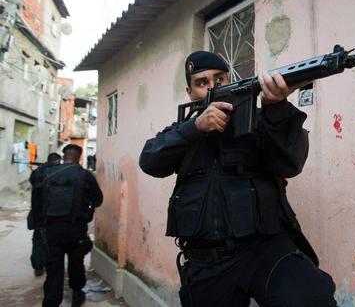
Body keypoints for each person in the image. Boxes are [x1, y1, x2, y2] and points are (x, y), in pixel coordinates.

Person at [139, 51, 337, 306]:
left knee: (311, 298)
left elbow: (290, 164)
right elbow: (149, 161)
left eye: (219, 79)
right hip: (207, 260)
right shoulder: (183, 132)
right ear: (190, 93)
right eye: (202, 82)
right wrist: (195, 128)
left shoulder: (258, 121)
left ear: (230, 79)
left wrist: (275, 109)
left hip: (267, 249)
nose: (212, 86)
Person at [33, 144, 103, 307]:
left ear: (64, 156)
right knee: (76, 263)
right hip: (76, 230)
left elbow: (37, 202)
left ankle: (51, 302)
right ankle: (77, 295)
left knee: (54, 270)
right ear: (79, 157)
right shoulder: (85, 175)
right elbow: (98, 199)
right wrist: (88, 207)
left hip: (51, 231)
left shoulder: (46, 174)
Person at [28, 152, 62, 276]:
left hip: (38, 212)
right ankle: (50, 266)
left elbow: (33, 181)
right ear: (58, 161)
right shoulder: (59, 173)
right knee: (53, 242)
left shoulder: (38, 172)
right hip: (54, 213)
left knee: (38, 239)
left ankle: (38, 266)